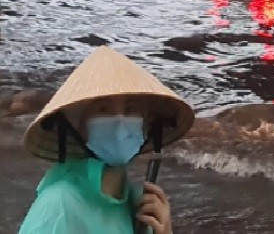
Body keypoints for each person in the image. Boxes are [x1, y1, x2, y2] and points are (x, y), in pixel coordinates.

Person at [18, 46, 195, 234]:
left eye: (131, 109)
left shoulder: (140, 206)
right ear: (79, 128)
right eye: (103, 109)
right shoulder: (58, 205)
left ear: (147, 126)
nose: (120, 121)